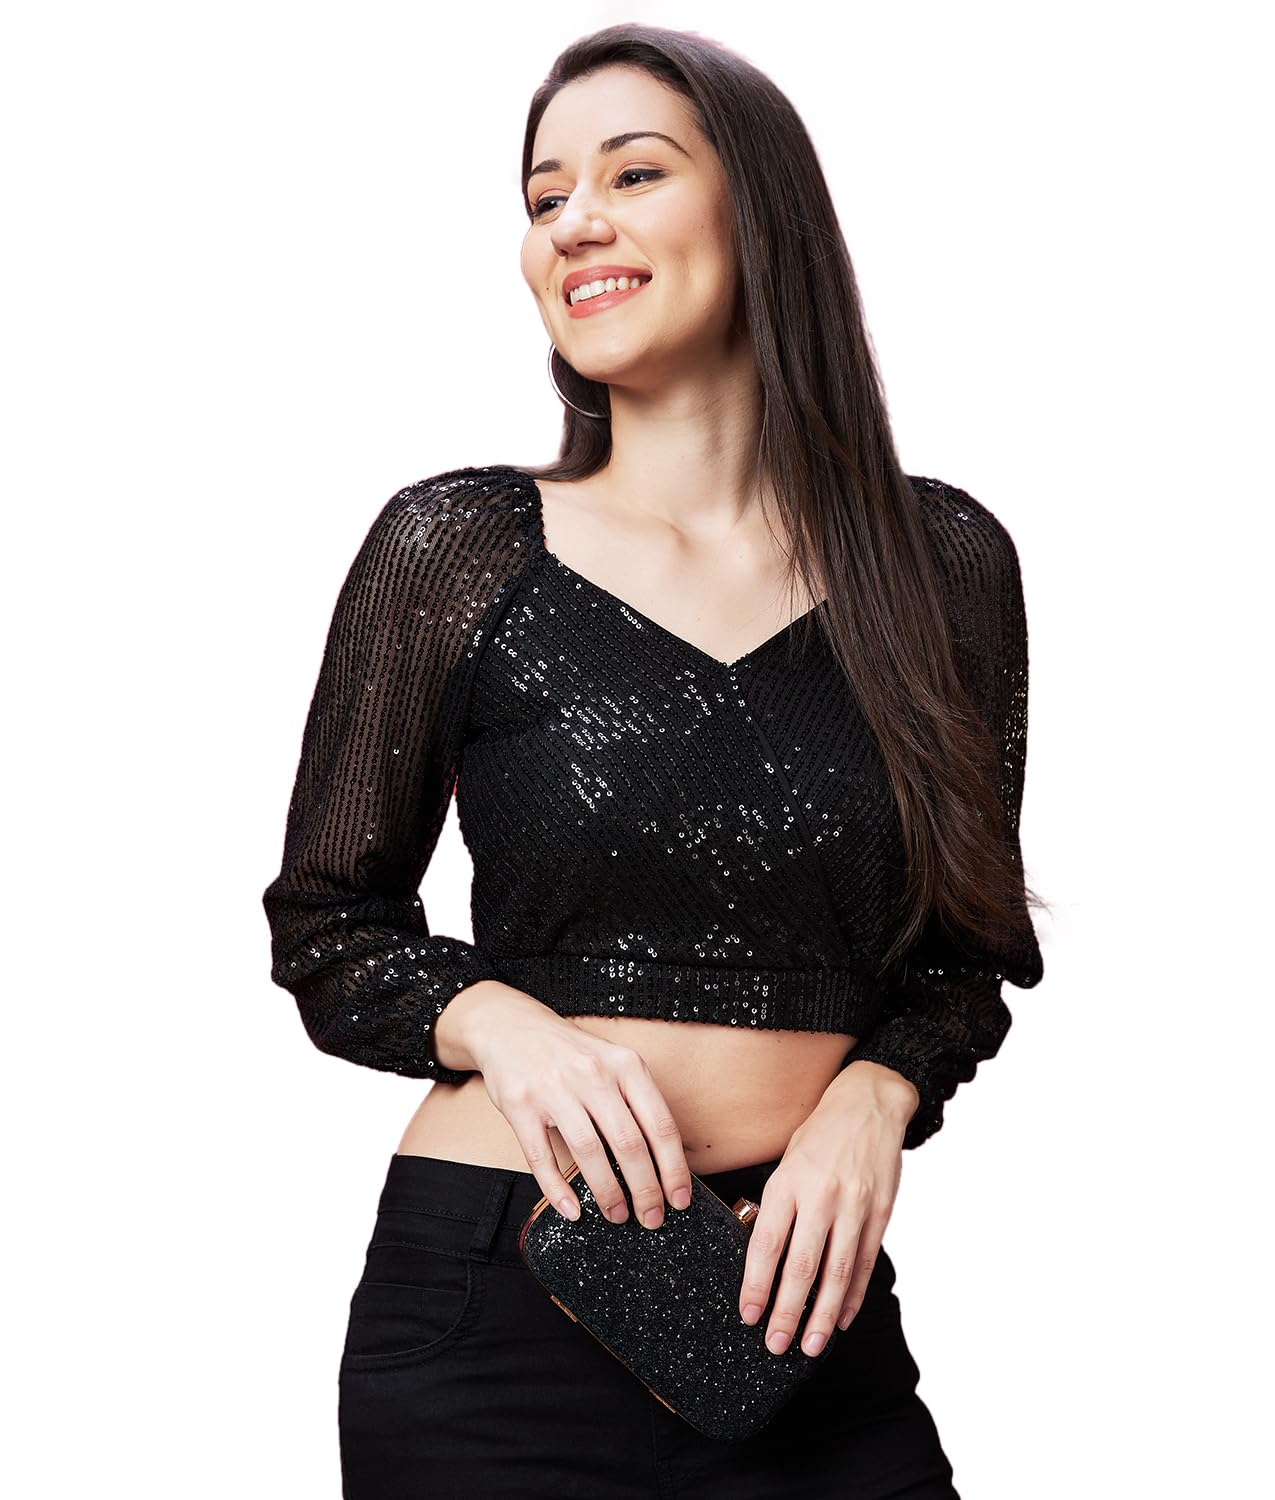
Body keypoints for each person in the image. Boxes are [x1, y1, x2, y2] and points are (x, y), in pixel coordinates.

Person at [261, 23, 1045, 1500]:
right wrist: (508, 1025)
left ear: (761, 211)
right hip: (497, 1312)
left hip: (800, 1310)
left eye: (632, 173)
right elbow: (327, 926)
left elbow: (964, 955)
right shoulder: (459, 545)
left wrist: (877, 1098)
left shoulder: (943, 565)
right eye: (544, 195)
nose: (575, 223)